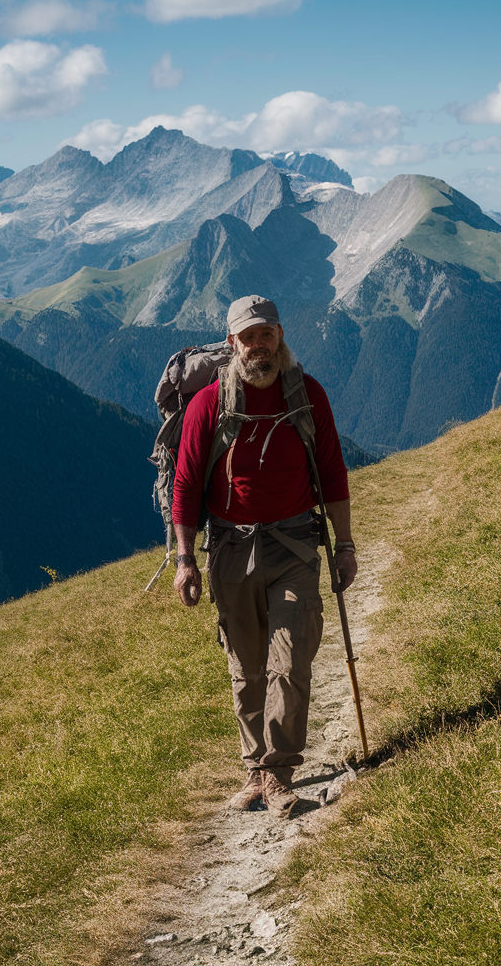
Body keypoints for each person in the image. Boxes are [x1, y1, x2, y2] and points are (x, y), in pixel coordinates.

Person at [171, 295, 357, 817]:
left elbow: (333, 472)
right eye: (248, 337)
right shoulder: (208, 404)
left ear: (281, 337)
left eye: (266, 335)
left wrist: (344, 545)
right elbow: (186, 485)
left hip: (294, 545)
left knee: (291, 660)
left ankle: (277, 772)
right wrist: (185, 559)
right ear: (232, 343)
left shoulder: (307, 395)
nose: (259, 346)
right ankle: (255, 768)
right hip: (231, 549)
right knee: (247, 667)